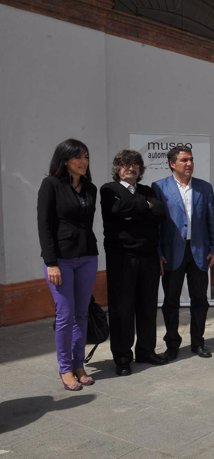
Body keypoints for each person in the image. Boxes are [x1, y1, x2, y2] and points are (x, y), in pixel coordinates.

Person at [37, 138, 99, 391]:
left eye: (86, 157)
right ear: (65, 160)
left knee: (82, 313)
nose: (83, 162)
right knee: (65, 315)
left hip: (87, 257)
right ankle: (65, 368)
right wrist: (51, 262)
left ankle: (78, 364)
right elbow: (44, 225)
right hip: (60, 259)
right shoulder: (51, 185)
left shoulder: (89, 188)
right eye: (78, 157)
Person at [100, 150, 167, 376]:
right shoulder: (109, 190)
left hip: (148, 257)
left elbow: (159, 212)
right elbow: (117, 211)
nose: (131, 168)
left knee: (147, 306)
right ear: (117, 168)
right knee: (122, 309)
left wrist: (138, 209)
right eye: (126, 164)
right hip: (122, 259)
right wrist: (144, 207)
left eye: (135, 164)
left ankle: (146, 350)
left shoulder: (148, 191)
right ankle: (122, 357)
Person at [152, 146, 214, 360]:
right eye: (184, 160)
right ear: (173, 164)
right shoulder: (159, 187)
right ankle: (172, 344)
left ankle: (198, 343)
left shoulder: (204, 188)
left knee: (199, 300)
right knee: (170, 302)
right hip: (172, 253)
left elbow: (212, 219)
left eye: (191, 159)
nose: (189, 163)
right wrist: (158, 252)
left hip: (199, 252)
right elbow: (156, 225)